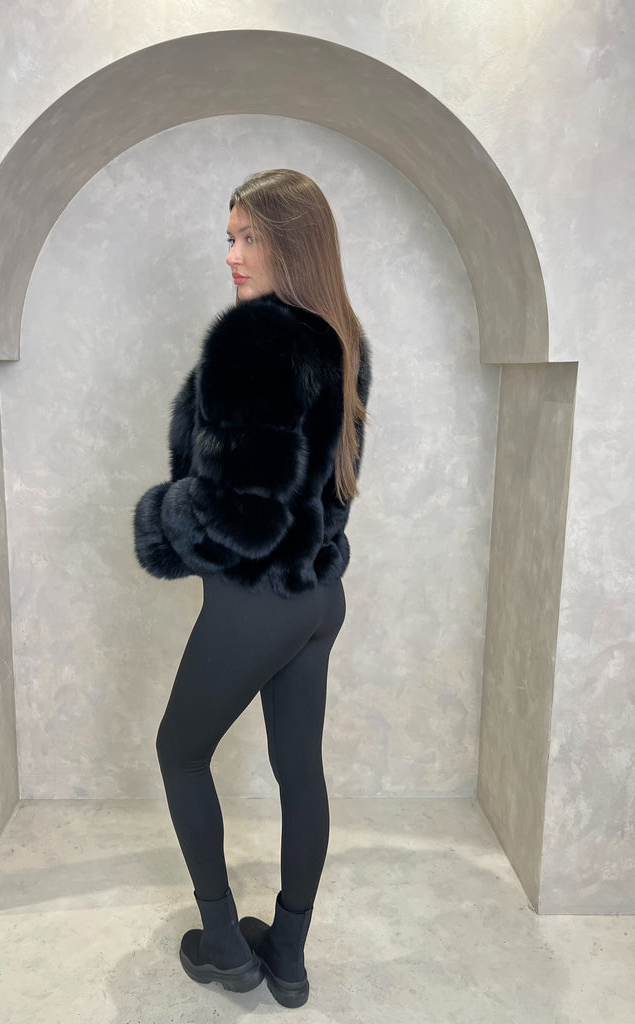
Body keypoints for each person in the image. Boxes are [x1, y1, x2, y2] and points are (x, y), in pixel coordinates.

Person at [133, 169, 371, 1009]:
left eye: (249, 237)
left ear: (292, 243)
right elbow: (322, 491)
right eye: (229, 237)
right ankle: (290, 958)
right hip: (318, 599)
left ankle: (228, 947)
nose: (231, 254)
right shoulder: (342, 337)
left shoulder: (255, 339)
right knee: (299, 770)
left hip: (258, 601)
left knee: (178, 751)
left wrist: (161, 521)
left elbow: (243, 516)